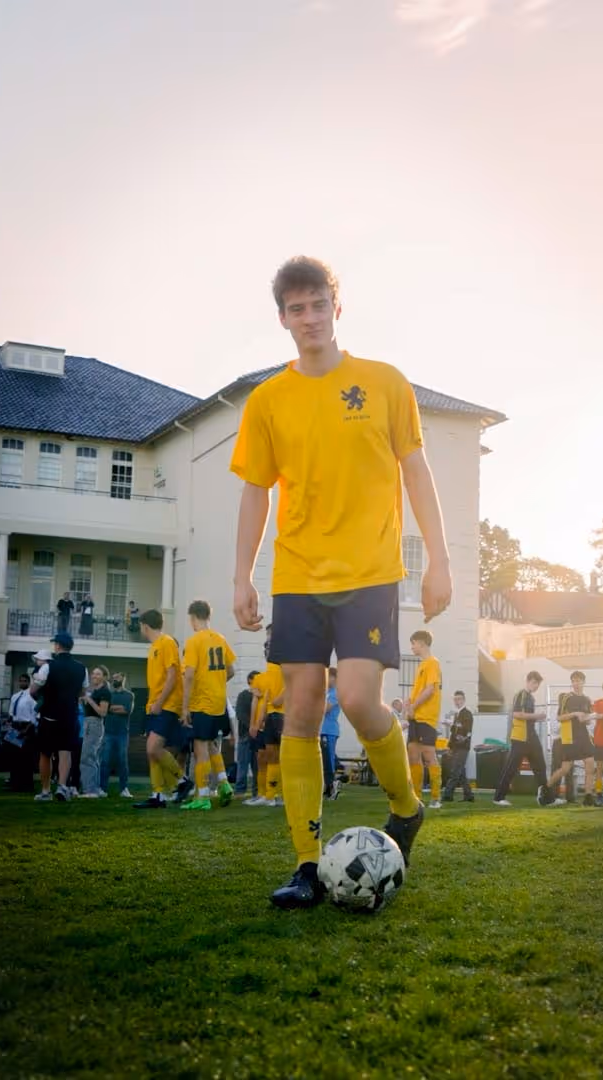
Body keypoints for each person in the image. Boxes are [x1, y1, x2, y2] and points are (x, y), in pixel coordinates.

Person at [229, 256, 450, 908]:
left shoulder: (383, 383)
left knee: (356, 697)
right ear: (283, 319)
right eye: (296, 309)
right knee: (299, 710)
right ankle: (305, 863)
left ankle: (405, 809)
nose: (309, 318)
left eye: (318, 304)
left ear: (336, 306)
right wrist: (243, 575)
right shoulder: (268, 400)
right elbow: (254, 494)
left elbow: (417, 471)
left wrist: (440, 558)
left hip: (371, 572)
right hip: (297, 575)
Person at [179, 600, 236, 810]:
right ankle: (224, 785)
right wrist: (216, 683)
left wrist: (185, 708)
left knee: (200, 747)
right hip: (219, 701)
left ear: (193, 618)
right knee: (212, 745)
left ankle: (202, 796)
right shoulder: (220, 639)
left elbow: (189, 676)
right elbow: (230, 671)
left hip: (202, 702)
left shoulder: (194, 641)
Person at [134, 609, 189, 809]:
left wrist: (159, 702)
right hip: (156, 705)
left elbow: (173, 676)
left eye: (140, 625)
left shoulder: (166, 642)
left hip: (166, 705)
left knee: (153, 748)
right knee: (152, 752)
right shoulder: (154, 646)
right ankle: (158, 795)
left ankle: (182, 781)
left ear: (145, 625)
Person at [30, 631, 85, 802]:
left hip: (49, 716)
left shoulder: (48, 666)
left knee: (45, 754)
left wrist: (40, 699)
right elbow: (82, 692)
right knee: (65, 752)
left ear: (58, 646)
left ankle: (46, 790)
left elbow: (33, 690)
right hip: (70, 715)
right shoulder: (82, 668)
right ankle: (62, 786)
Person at [492, 672, 549, 806]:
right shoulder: (521, 695)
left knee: (540, 766)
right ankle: (498, 798)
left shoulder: (530, 697)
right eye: (535, 683)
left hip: (531, 736)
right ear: (528, 681)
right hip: (520, 737)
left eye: (538, 684)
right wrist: (537, 716)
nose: (536, 686)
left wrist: (535, 717)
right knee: (511, 768)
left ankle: (547, 798)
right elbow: (517, 714)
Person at [246, 632, 287, 807]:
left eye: (270, 647)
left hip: (283, 716)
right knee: (270, 757)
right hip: (270, 717)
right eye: (266, 647)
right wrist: (256, 723)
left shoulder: (285, 670)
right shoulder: (264, 676)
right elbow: (263, 701)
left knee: (282, 757)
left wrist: (280, 700)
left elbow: (292, 685)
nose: (267, 650)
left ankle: (280, 795)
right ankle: (270, 795)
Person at [545, 670, 597, 807]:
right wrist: (575, 713)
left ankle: (588, 796)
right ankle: (545, 788)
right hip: (570, 736)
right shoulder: (567, 697)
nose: (576, 683)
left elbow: (588, 719)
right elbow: (559, 717)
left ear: (583, 682)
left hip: (583, 735)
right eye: (573, 680)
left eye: (578, 680)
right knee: (565, 769)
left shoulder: (587, 699)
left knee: (590, 763)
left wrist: (589, 719)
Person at [405, 630, 443, 809]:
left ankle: (436, 798)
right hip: (415, 718)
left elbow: (430, 690)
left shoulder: (432, 663)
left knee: (429, 756)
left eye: (413, 643)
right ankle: (417, 798)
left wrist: (413, 706)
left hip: (426, 718)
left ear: (421, 643)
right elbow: (420, 690)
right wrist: (409, 704)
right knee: (413, 756)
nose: (412, 647)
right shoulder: (421, 665)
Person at [80, 666, 111, 798]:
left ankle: (90, 791)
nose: (94, 676)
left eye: (98, 674)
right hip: (89, 723)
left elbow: (102, 712)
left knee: (87, 757)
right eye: (93, 674)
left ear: (104, 677)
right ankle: (96, 789)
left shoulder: (105, 692)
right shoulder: (95, 691)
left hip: (94, 724)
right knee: (93, 758)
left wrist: (89, 700)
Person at [441, 689, 476, 803]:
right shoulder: (457, 714)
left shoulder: (467, 714)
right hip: (456, 747)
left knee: (455, 771)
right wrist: (450, 746)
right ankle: (469, 795)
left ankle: (447, 795)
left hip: (463, 746)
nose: (457, 701)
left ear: (464, 700)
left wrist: (452, 724)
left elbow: (466, 730)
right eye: (455, 699)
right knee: (460, 773)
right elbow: (454, 733)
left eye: (459, 699)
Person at [104, 672, 133, 798]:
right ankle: (102, 788)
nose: (115, 679)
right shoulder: (108, 694)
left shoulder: (129, 695)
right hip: (108, 731)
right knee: (105, 760)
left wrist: (112, 708)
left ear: (123, 679)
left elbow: (126, 710)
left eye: (118, 677)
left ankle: (124, 789)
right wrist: (117, 708)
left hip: (122, 732)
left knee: (122, 761)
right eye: (114, 678)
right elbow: (106, 710)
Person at [319, 668, 342, 800]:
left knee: (329, 760)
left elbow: (325, 709)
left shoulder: (336, 693)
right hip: (321, 730)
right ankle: (327, 789)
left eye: (329, 677)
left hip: (329, 731)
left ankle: (332, 787)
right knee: (322, 761)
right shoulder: (326, 692)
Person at [234, 679, 259, 797]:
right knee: (243, 763)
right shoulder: (243, 696)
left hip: (258, 734)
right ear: (250, 681)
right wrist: (252, 726)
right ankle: (240, 790)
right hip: (245, 734)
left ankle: (256, 790)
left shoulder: (261, 695)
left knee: (257, 765)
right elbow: (240, 714)